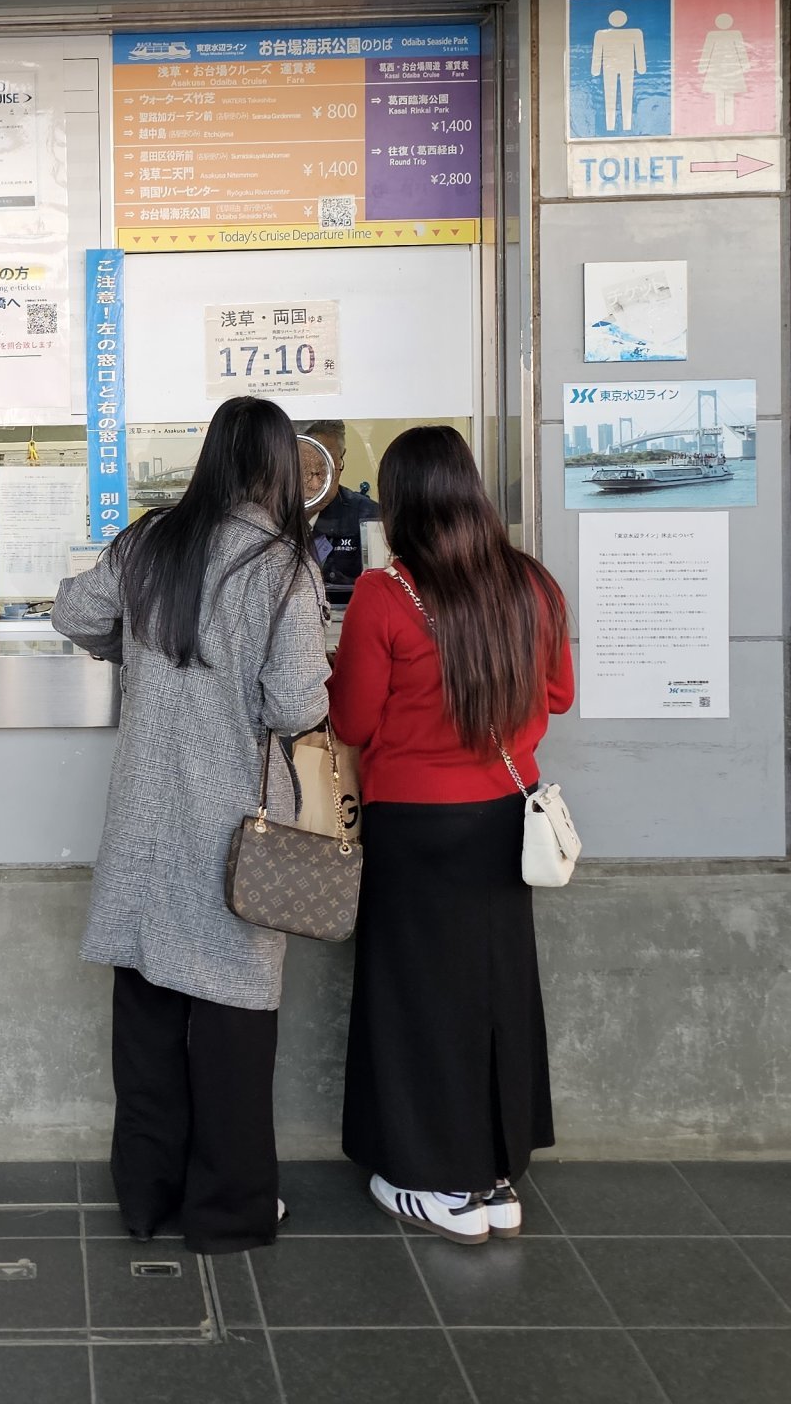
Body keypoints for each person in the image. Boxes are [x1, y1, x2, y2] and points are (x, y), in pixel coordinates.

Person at [52, 396, 330, 1255]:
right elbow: (296, 703)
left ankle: (147, 1199)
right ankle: (228, 1211)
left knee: (146, 1013)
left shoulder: (150, 541)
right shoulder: (283, 566)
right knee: (233, 1018)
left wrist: (133, 654)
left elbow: (73, 613)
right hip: (234, 825)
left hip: (145, 817)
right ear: (278, 467)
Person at [328, 426, 573, 1245]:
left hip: (414, 827)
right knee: (498, 993)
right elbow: (559, 695)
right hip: (505, 819)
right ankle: (496, 1179)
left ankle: (436, 1184)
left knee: (417, 1000)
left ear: (400, 504)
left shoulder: (385, 594)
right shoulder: (532, 584)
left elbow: (352, 720)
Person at [301, 419, 375, 606]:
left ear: (341, 459)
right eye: (305, 467)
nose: (316, 484)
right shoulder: (265, 519)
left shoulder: (369, 519)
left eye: (326, 467)